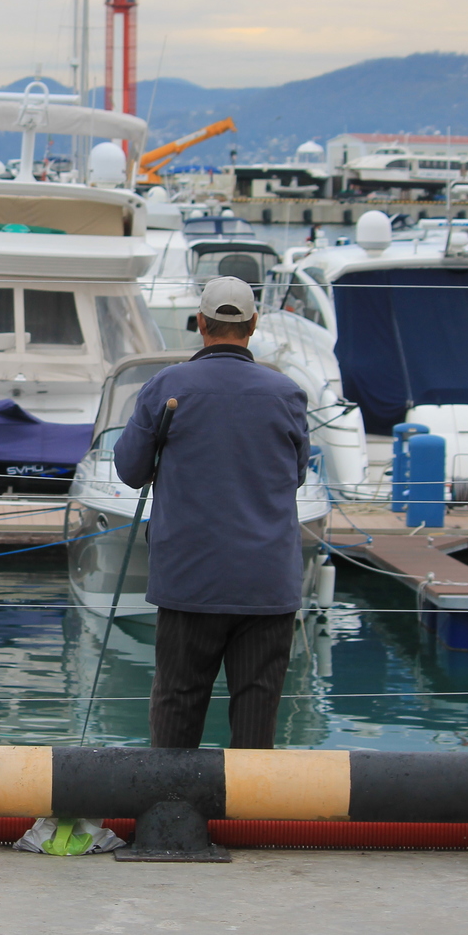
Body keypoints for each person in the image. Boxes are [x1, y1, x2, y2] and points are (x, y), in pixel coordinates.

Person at [115, 276, 309, 749]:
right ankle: (248, 819)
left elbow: (129, 469)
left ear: (201, 324)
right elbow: (297, 474)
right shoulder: (287, 393)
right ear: (253, 325)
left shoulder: (168, 386)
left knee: (177, 712)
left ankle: (173, 817)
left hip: (189, 580)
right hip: (267, 584)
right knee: (256, 722)